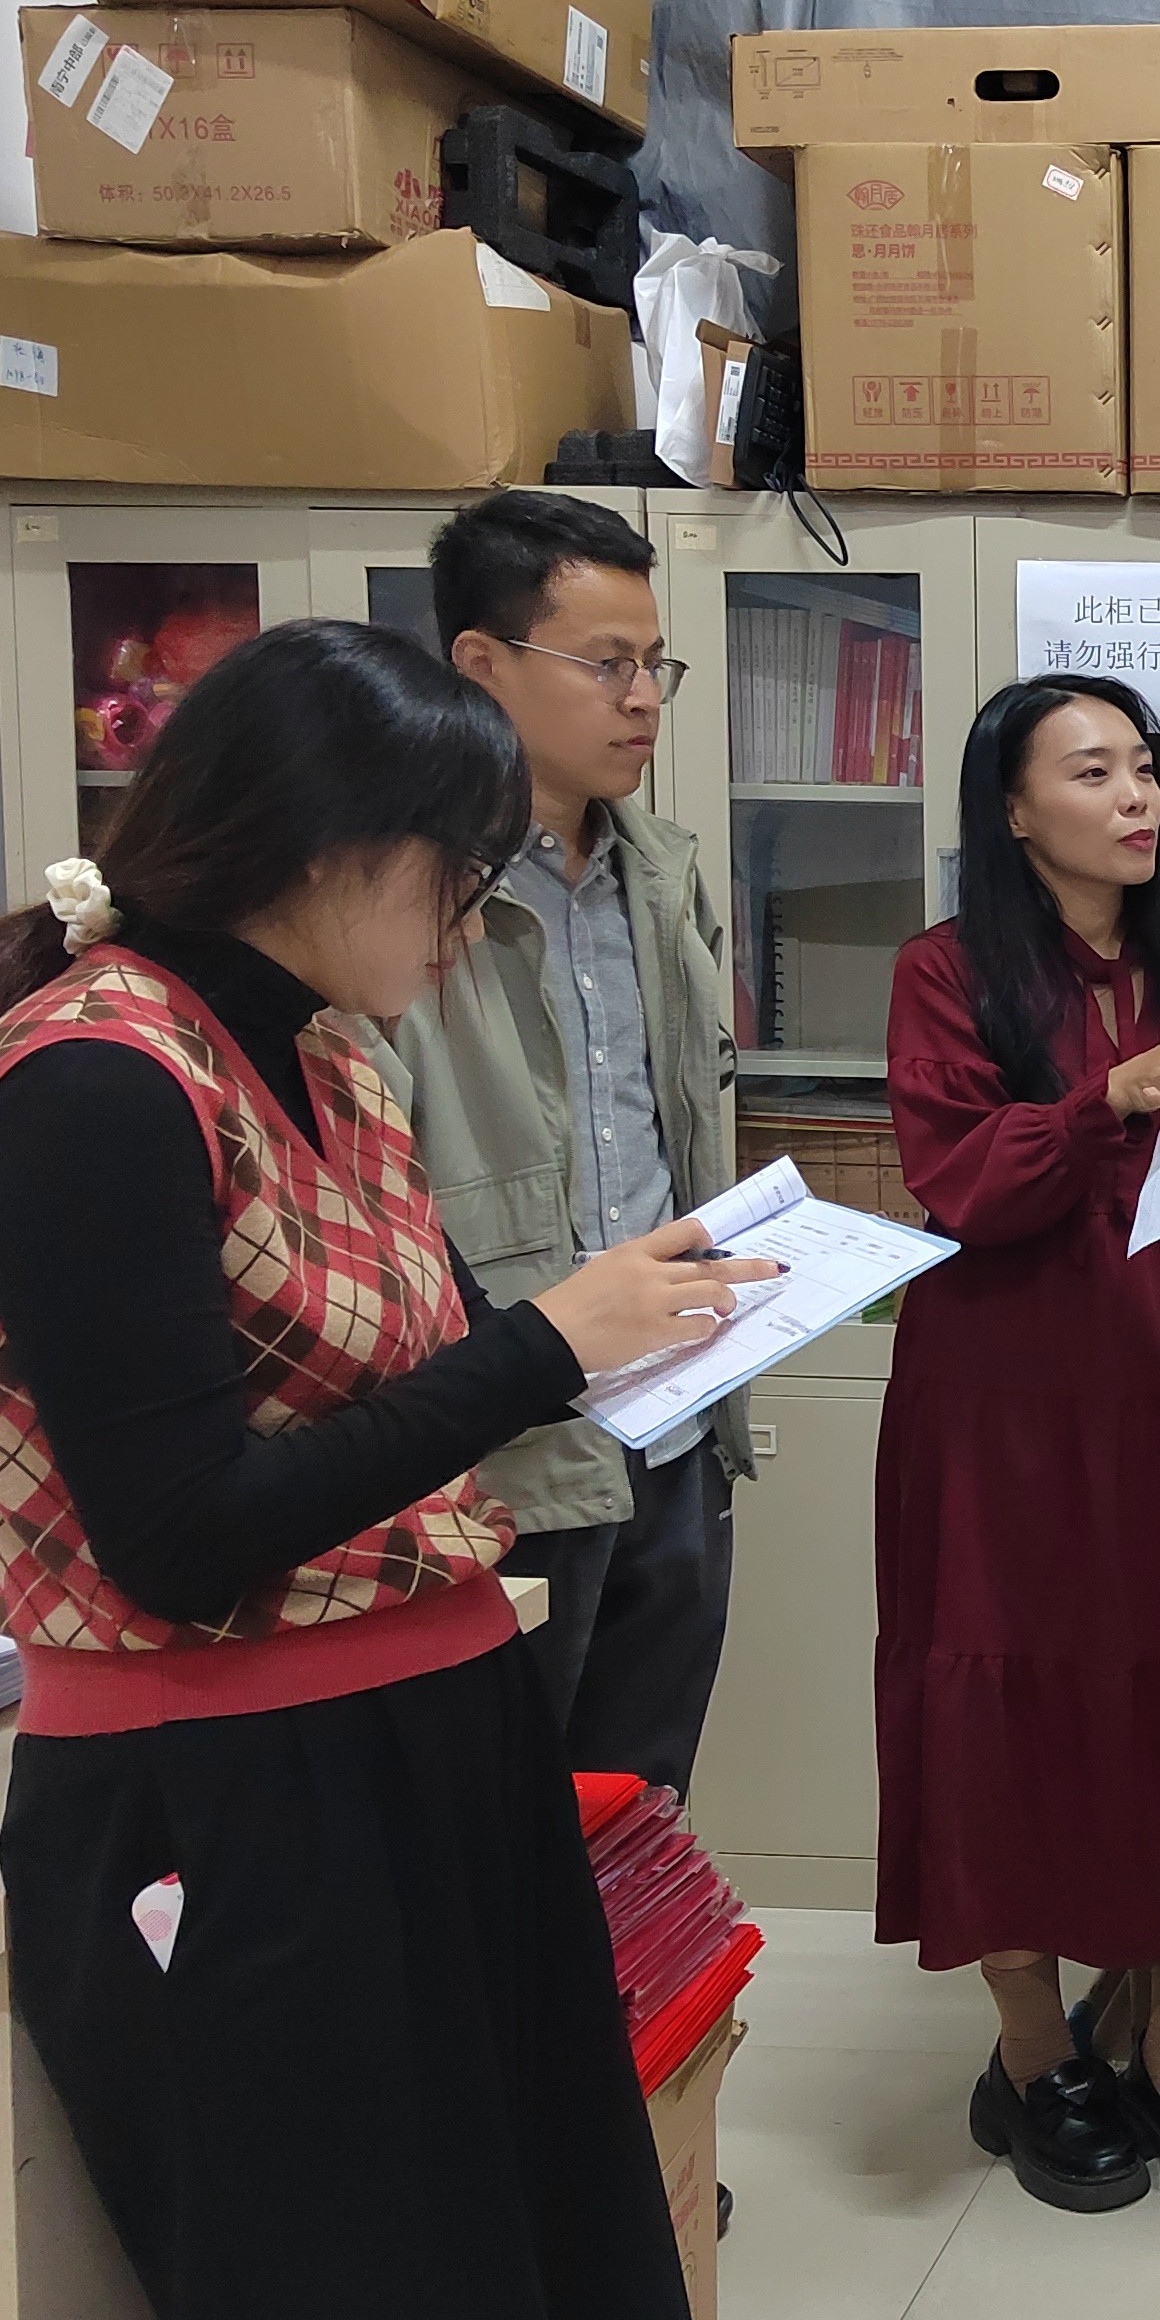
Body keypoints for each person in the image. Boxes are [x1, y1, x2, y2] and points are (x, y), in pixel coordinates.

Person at [0, 622, 777, 2320]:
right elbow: (182, 1538)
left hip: (435, 1744)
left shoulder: (331, 1057)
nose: (470, 919)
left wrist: (623, 1325)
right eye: (456, 872)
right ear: (323, 843)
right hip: (235, 1800)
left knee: (547, 2311)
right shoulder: (92, 1085)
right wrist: (548, 1347)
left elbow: (399, 1387)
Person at [874, 672, 1160, 2224]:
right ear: (1011, 810)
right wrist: (1105, 1100)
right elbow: (958, 1179)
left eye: (1144, 768)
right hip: (1008, 1412)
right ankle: (1036, 2056)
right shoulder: (943, 972)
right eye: (1093, 771)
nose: (1137, 797)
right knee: (1004, 1715)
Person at [380, 490, 749, 1796]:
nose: (643, 699)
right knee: (496, 1832)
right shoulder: (405, 889)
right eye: (606, 664)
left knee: (642, 1812)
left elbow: (679, 1123)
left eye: (657, 665)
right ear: (482, 664)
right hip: (505, 1448)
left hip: (678, 1417)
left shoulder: (661, 870)